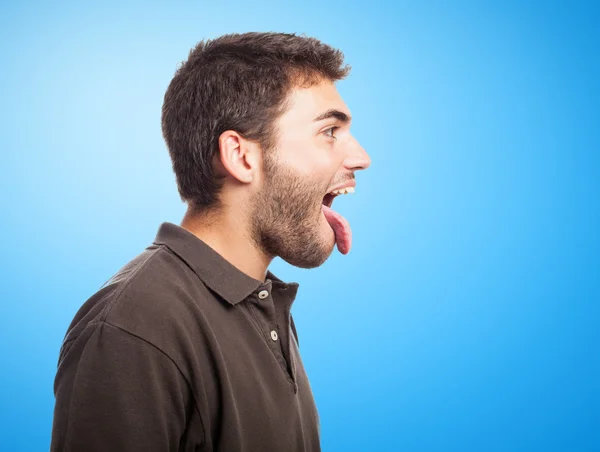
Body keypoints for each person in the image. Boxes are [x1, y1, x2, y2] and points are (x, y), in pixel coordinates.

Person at [51, 31, 371, 452]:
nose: (360, 157)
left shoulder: (263, 305)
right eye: (329, 131)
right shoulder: (134, 328)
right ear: (240, 157)